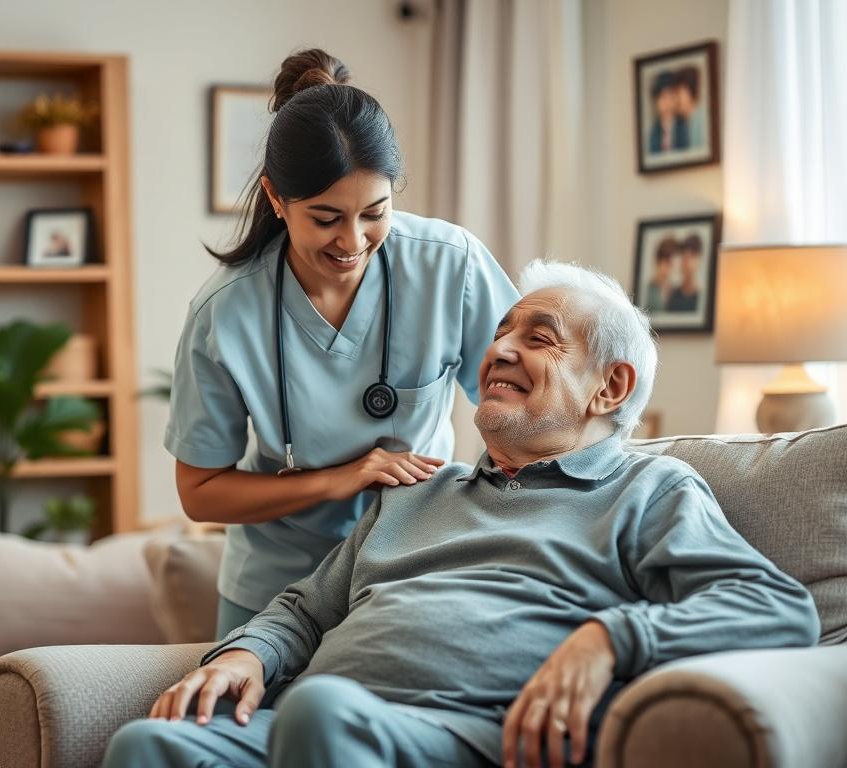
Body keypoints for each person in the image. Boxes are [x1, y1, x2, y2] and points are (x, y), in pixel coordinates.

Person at [103, 260, 819, 768]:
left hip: (471, 734)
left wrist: (609, 637)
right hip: (320, 724)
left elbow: (777, 608)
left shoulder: (650, 491)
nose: (498, 349)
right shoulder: (418, 490)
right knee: (149, 744)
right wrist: (246, 653)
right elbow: (305, 608)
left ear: (610, 388)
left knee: (322, 711)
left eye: (538, 338)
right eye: (500, 333)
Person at [165, 49, 519, 638]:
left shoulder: (449, 265)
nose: (352, 241)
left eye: (374, 213)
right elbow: (200, 492)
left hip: (416, 571)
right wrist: (345, 476)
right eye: (325, 218)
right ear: (277, 200)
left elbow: (523, 400)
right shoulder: (224, 313)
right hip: (273, 590)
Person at [647, 71, 688, 153]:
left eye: (670, 96)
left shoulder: (684, 126)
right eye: (662, 96)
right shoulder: (653, 132)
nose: (667, 102)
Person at [665, 233, 702, 313]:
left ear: (698, 260)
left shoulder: (702, 297)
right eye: (684, 259)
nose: (686, 264)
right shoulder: (672, 296)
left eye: (691, 258)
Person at [674, 66, 705, 149]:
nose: (675, 98)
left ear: (689, 91)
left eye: (678, 92)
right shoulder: (684, 123)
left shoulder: (702, 120)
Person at [645, 235, 677, 312]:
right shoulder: (648, 291)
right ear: (658, 261)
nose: (669, 270)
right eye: (668, 263)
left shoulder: (674, 291)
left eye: (671, 264)